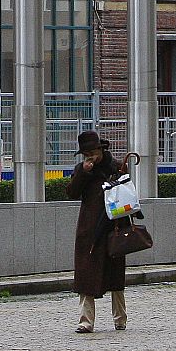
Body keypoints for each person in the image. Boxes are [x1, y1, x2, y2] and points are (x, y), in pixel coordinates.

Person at [66, 129, 127, 333]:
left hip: (113, 227)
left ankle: (120, 319)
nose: (90, 156)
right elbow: (72, 193)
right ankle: (86, 321)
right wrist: (84, 171)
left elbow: (128, 193)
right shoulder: (82, 169)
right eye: (86, 154)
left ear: (100, 150)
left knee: (116, 277)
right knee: (86, 276)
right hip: (89, 230)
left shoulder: (116, 167)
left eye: (92, 152)